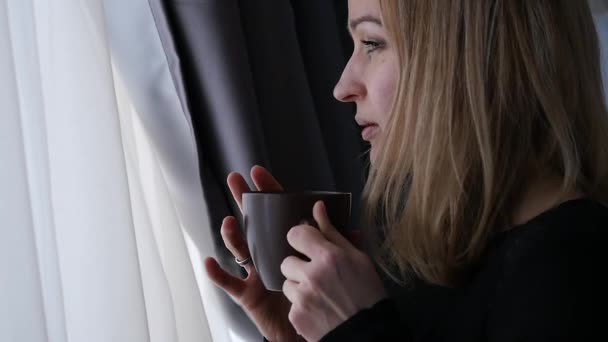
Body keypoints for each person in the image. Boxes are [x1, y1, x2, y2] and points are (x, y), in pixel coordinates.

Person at [204, 0, 608, 341]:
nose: (342, 86)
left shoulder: (573, 268)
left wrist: (357, 327)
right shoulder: (426, 257)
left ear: (462, 59)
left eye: (372, 43)